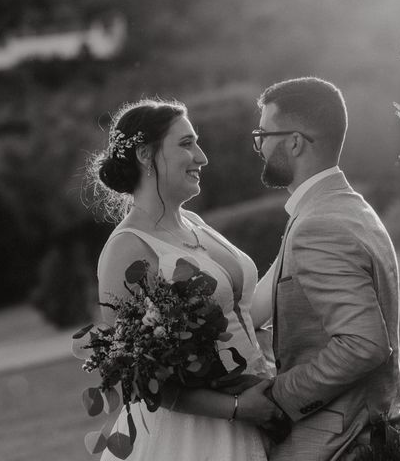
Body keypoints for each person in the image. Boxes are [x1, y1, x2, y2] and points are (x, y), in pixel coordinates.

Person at [90, 98, 279, 461]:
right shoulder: (126, 249)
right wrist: (237, 407)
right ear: (146, 155)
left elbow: (241, 313)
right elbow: (135, 377)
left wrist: (295, 251)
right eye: (186, 144)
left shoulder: (194, 222)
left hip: (260, 404)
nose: (202, 157)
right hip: (195, 439)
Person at [247, 77, 400, 460]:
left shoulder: (317, 226)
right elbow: (267, 301)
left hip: (337, 443)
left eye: (263, 134)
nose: (258, 146)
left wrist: (277, 395)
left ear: (294, 142)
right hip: (367, 426)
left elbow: (364, 344)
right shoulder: (348, 208)